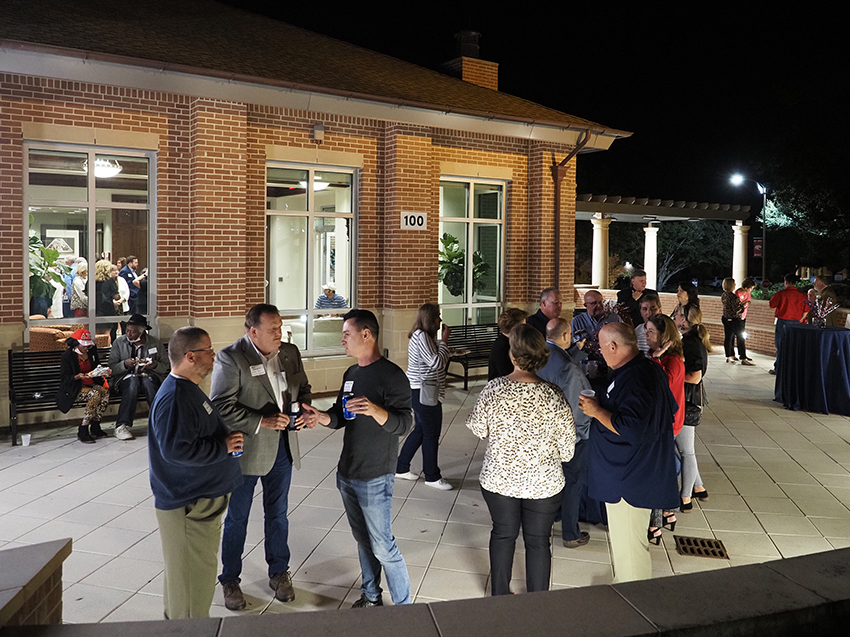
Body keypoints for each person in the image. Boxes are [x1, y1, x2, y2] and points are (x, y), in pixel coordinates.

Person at [301, 309, 413, 608]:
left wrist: (376, 410)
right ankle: (371, 596)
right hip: (348, 471)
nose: (342, 340)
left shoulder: (392, 376)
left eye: (347, 334)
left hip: (375, 474)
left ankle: (405, 608)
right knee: (363, 540)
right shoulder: (351, 374)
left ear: (367, 334)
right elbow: (341, 415)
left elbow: (404, 424)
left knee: (383, 546)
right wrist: (323, 417)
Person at [212, 304, 314, 610]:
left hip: (283, 448)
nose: (279, 333)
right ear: (252, 331)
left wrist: (305, 410)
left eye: (281, 327)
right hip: (247, 451)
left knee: (278, 514)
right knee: (237, 518)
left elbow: (304, 387)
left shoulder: (290, 352)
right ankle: (230, 579)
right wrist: (261, 421)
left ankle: (279, 572)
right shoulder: (231, 358)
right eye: (272, 329)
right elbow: (220, 405)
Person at [466, 324, 575, 595]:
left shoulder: (493, 390)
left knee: (503, 534)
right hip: (544, 483)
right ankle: (537, 601)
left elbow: (478, 430)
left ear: (512, 355)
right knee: (538, 541)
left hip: (500, 479)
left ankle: (500, 594)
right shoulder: (554, 396)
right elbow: (568, 451)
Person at [148, 326, 244, 619]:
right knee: (191, 589)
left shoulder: (187, 389)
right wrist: (223, 447)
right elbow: (175, 451)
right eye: (208, 351)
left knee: (186, 580)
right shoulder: (176, 397)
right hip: (189, 505)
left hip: (197, 501)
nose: (213, 356)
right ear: (190, 356)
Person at [579, 323, 679, 583]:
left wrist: (596, 411)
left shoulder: (636, 378)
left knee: (630, 549)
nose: (600, 352)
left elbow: (631, 429)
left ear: (613, 346)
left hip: (630, 480)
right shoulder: (644, 368)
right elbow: (668, 408)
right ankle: (624, 587)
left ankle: (633, 603)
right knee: (626, 547)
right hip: (634, 474)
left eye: (602, 347)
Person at [538, 317, 592, 548]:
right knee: (573, 482)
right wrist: (582, 434)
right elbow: (576, 406)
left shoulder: (538, 356)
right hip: (568, 437)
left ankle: (548, 520)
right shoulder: (568, 369)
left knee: (550, 480)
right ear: (566, 336)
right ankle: (570, 533)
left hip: (543, 433)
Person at [395, 303, 453, 490]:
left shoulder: (424, 336)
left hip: (424, 390)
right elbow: (436, 363)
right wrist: (444, 341)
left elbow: (433, 360)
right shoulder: (421, 336)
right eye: (438, 316)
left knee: (421, 430)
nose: (440, 320)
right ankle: (432, 476)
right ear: (430, 318)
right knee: (431, 433)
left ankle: (401, 467)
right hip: (423, 391)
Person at [644, 314, 685, 542]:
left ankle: (655, 523)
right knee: (666, 467)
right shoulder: (660, 356)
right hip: (661, 421)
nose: (646, 334)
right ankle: (668, 511)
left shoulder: (673, 361)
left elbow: (662, 385)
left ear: (664, 336)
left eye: (651, 331)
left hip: (667, 423)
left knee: (660, 470)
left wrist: (656, 359)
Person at [108, 314, 170, 440]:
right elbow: (111, 368)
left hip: (150, 376)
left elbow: (165, 366)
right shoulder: (119, 343)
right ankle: (122, 425)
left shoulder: (154, 343)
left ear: (142, 332)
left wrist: (153, 365)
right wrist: (125, 364)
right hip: (125, 378)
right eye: (127, 330)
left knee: (149, 381)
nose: (128, 333)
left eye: (132, 331)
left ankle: (159, 423)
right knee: (133, 381)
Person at [675, 304, 711, 511]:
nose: (676, 317)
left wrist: (672, 378)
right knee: (682, 449)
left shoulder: (691, 342)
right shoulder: (692, 339)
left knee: (686, 451)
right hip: (689, 398)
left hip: (688, 400)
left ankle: (685, 497)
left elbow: (695, 376)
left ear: (685, 320)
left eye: (678, 314)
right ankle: (698, 487)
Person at [55, 328, 111, 444]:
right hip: (76, 387)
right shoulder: (68, 356)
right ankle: (83, 428)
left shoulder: (91, 352)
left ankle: (96, 425)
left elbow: (96, 367)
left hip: (91, 383)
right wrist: (78, 376)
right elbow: (65, 378)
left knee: (105, 393)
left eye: (88, 346)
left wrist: (103, 371)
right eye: (84, 346)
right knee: (95, 395)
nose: (86, 348)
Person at [571, 290, 622, 379]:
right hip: (587, 369)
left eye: (600, 302)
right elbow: (572, 346)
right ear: (585, 305)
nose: (599, 305)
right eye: (594, 303)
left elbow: (623, 339)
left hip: (611, 367)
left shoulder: (614, 318)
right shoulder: (577, 321)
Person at [768, 274, 807, 375]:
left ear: (786, 282)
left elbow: (772, 304)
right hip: (796, 323)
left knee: (781, 345)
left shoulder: (781, 293)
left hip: (783, 322)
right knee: (794, 346)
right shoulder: (802, 296)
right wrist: (801, 318)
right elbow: (807, 308)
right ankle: (793, 369)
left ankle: (779, 368)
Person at [488, 307, 528, 380]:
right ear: (514, 329)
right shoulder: (502, 347)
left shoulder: (509, 342)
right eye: (523, 326)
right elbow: (506, 374)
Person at [95, 259, 122, 342]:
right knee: (107, 333)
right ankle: (106, 350)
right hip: (107, 309)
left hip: (95, 308)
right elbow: (115, 296)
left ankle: (96, 349)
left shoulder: (92, 281)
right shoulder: (110, 281)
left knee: (95, 332)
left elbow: (86, 294)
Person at [720, 277, 746, 365]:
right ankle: (743, 357)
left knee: (728, 337)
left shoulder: (724, 295)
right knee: (741, 337)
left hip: (726, 318)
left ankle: (729, 355)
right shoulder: (733, 297)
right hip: (735, 319)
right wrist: (743, 306)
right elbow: (737, 309)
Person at [735, 277, 756, 364]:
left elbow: (747, 301)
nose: (751, 290)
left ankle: (743, 355)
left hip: (743, 316)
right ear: (746, 287)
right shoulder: (737, 293)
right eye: (750, 288)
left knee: (741, 335)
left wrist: (746, 303)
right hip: (737, 316)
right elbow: (736, 305)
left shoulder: (748, 294)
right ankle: (742, 357)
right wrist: (743, 304)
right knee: (740, 336)